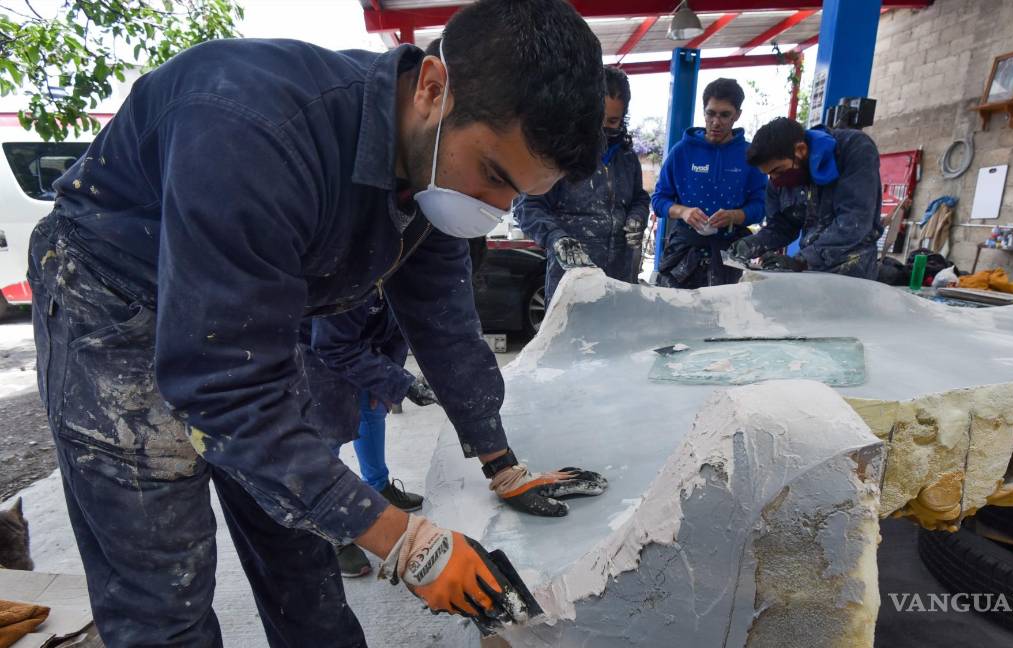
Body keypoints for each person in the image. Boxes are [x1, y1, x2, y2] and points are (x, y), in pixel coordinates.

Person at [27, 1, 609, 645]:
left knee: (303, 560)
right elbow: (222, 387)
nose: (496, 207)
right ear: (433, 88)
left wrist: (500, 459)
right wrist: (402, 539)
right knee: (165, 591)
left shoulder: (434, 167)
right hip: (114, 303)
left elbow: (444, 320)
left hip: (249, 316)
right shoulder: (253, 131)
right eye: (496, 175)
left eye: (517, 195)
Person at [299, 291, 436, 578]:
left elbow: (400, 329)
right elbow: (331, 344)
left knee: (373, 408)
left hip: (363, 340)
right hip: (314, 344)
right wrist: (403, 384)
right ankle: (330, 527)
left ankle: (378, 485)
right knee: (328, 428)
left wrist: (390, 376)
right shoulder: (345, 267)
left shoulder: (405, 266)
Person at [516, 65, 650, 305]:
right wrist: (557, 239)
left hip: (620, 282)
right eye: (598, 119)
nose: (603, 129)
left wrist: (637, 216)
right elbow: (528, 206)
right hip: (571, 285)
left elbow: (639, 197)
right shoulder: (562, 155)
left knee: (618, 339)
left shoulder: (627, 158)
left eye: (613, 121)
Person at [731, 117, 883, 279]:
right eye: (769, 174)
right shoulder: (777, 180)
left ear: (801, 150)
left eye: (778, 171)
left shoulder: (853, 149)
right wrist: (752, 243)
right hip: (811, 271)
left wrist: (802, 260)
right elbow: (781, 227)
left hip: (852, 271)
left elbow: (854, 221)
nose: (775, 180)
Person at [651, 78, 767, 288]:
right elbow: (659, 200)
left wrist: (735, 215)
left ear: (737, 115)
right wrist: (684, 212)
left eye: (725, 115)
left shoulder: (750, 156)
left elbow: (761, 207)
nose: (716, 122)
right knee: (672, 314)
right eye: (710, 113)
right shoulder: (681, 152)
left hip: (731, 252)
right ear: (703, 111)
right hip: (684, 251)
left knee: (727, 317)